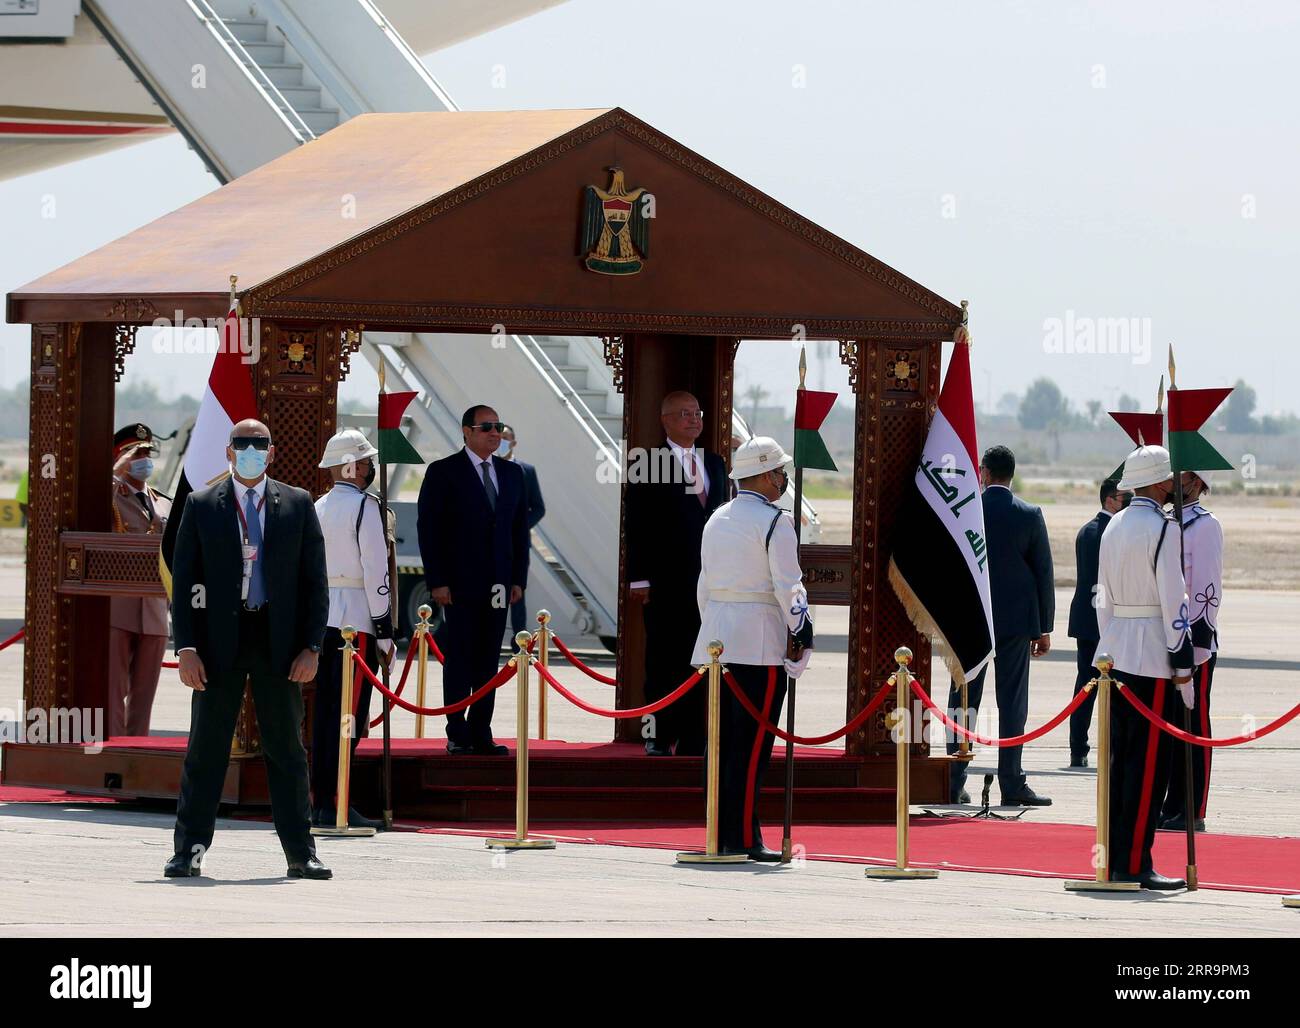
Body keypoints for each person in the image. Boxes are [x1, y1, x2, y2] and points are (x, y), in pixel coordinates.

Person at [165, 419, 331, 880]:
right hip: (218, 647)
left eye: (260, 443)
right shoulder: (202, 505)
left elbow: (316, 583)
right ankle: (189, 850)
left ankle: (301, 852)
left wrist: (311, 647)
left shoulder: (297, 505)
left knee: (286, 751)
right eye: (243, 443)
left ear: (272, 452)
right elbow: (184, 584)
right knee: (206, 749)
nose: (252, 450)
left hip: (278, 645)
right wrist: (188, 648)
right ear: (229, 451)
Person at [694, 437, 813, 860]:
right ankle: (742, 837)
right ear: (764, 474)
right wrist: (802, 631)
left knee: (721, 743)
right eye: (779, 472)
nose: (783, 478)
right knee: (752, 748)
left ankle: (719, 829)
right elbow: (788, 585)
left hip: (717, 641)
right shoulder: (774, 522)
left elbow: (704, 588)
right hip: (758, 644)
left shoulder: (717, 519)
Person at [1096, 443, 1194, 890]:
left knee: (1120, 762)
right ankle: (1135, 863)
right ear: (1158, 483)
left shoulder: (1113, 525)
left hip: (1115, 654)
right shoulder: (1164, 529)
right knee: (1148, 766)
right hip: (1153, 654)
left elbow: (1104, 599)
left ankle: (1118, 857)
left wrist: (1108, 645)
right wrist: (1183, 663)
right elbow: (1175, 600)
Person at [417, 404, 529, 755]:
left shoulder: (512, 474)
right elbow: (429, 529)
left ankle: (481, 731)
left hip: (499, 583)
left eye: (499, 426)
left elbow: (518, 531)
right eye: (486, 427)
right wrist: (437, 580)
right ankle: (457, 730)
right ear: (466, 431)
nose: (495, 433)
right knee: (460, 656)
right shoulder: (443, 471)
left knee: (487, 658)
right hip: (458, 583)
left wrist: (517, 579)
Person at [945, 445, 1054, 806]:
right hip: (1015, 624)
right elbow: (1043, 574)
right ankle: (1011, 782)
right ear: (1011, 474)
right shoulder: (1029, 513)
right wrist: (1044, 628)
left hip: (970, 621)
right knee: (1012, 704)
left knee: (963, 701)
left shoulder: (965, 512)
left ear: (984, 474)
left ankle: (952, 779)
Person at [625, 390, 728, 756]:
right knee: (664, 659)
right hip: (665, 581)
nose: (693, 419)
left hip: (709, 583)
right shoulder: (647, 462)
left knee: (702, 659)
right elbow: (637, 524)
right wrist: (639, 577)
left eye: (697, 413)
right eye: (684, 413)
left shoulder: (714, 462)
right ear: (666, 419)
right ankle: (658, 734)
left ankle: (694, 737)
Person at [310, 429, 392, 829]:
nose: (369, 467)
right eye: (365, 461)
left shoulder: (319, 506)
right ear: (353, 466)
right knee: (349, 717)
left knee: (327, 715)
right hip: (356, 624)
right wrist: (386, 629)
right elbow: (376, 572)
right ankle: (336, 801)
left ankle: (321, 799)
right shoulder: (366, 508)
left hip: (324, 621)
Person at [1160, 469, 1223, 832]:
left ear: (1197, 483)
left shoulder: (1205, 526)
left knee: (1194, 727)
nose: (1175, 483)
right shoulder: (1168, 522)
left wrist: (1196, 648)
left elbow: (1206, 592)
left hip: (1193, 645)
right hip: (1167, 642)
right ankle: (1171, 802)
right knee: (1169, 727)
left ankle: (1192, 807)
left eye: (1182, 478)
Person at [108, 423, 172, 738]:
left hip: (155, 611)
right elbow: (87, 503)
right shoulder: (112, 495)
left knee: (144, 697)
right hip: (118, 609)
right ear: (120, 456)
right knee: (112, 693)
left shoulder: (162, 502)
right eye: (136, 453)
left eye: (147, 453)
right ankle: (114, 754)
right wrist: (115, 472)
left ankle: (137, 752)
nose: (144, 459)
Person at [1066, 479, 1131, 768]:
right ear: (1109, 500)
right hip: (1104, 620)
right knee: (1110, 686)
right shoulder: (1110, 532)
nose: (1126, 503)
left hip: (1086, 618)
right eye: (1123, 498)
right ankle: (1105, 746)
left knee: (1086, 684)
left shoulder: (1087, 530)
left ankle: (1078, 747)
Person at [499, 425, 546, 645]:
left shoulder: (525, 470)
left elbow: (538, 507)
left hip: (517, 544)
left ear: (514, 442)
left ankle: (520, 640)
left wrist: (517, 527)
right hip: (492, 544)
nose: (502, 441)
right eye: (500, 437)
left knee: (517, 591)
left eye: (506, 438)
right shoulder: (489, 468)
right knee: (495, 592)